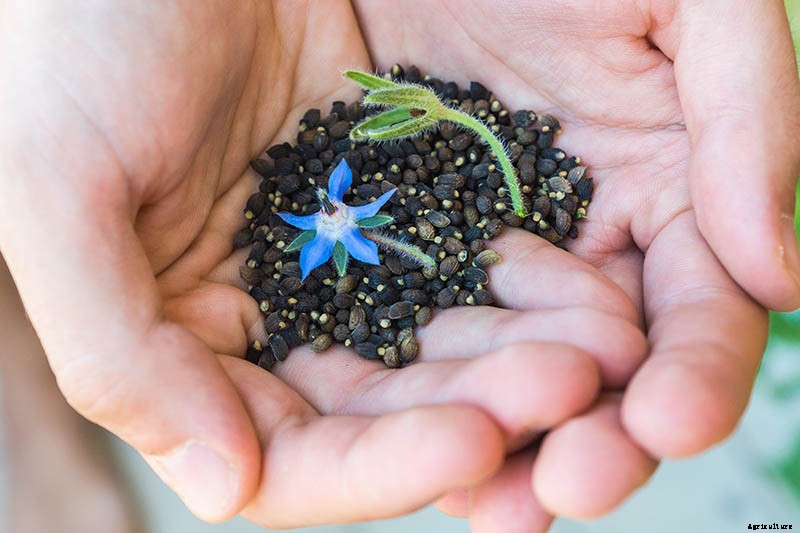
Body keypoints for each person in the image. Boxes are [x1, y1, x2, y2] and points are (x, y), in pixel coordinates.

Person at [0, 1, 797, 531]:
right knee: (63, 230)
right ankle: (29, 409)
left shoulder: (369, 208)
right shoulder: (320, 227)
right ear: (330, 216)